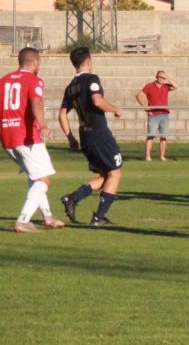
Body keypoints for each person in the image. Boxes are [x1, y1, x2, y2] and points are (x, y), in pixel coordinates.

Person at [58, 47, 124, 227]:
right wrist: (115, 109)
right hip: (99, 134)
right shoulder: (92, 79)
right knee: (115, 173)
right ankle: (99, 217)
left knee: (105, 176)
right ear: (88, 62)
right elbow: (97, 100)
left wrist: (70, 138)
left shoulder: (70, 87)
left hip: (85, 137)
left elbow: (62, 114)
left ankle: (72, 198)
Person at [1, 48, 65, 233]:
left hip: (7, 137)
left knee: (35, 176)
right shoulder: (33, 80)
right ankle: (23, 220)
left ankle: (48, 216)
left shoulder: (3, 81)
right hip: (26, 136)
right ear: (35, 62)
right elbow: (36, 102)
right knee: (44, 179)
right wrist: (43, 124)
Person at [135, 71, 178, 161]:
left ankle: (162, 156)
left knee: (163, 136)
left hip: (164, 114)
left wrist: (168, 77)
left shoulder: (166, 86)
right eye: (161, 77)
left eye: (164, 78)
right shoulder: (149, 86)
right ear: (157, 77)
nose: (162, 79)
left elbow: (176, 86)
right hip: (153, 114)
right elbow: (139, 96)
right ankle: (148, 156)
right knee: (150, 136)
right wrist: (146, 108)